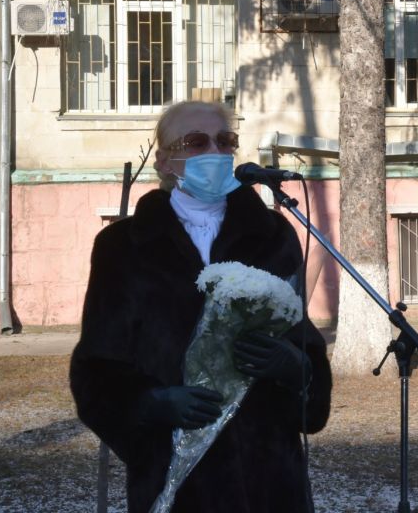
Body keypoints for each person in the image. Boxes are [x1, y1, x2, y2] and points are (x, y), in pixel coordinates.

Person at [70, 101, 331, 513]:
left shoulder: (271, 235)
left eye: (225, 141)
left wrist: (296, 369)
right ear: (164, 160)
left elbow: (301, 340)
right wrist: (152, 404)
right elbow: (96, 370)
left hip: (267, 478)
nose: (214, 151)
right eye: (195, 141)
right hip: (175, 475)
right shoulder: (123, 247)